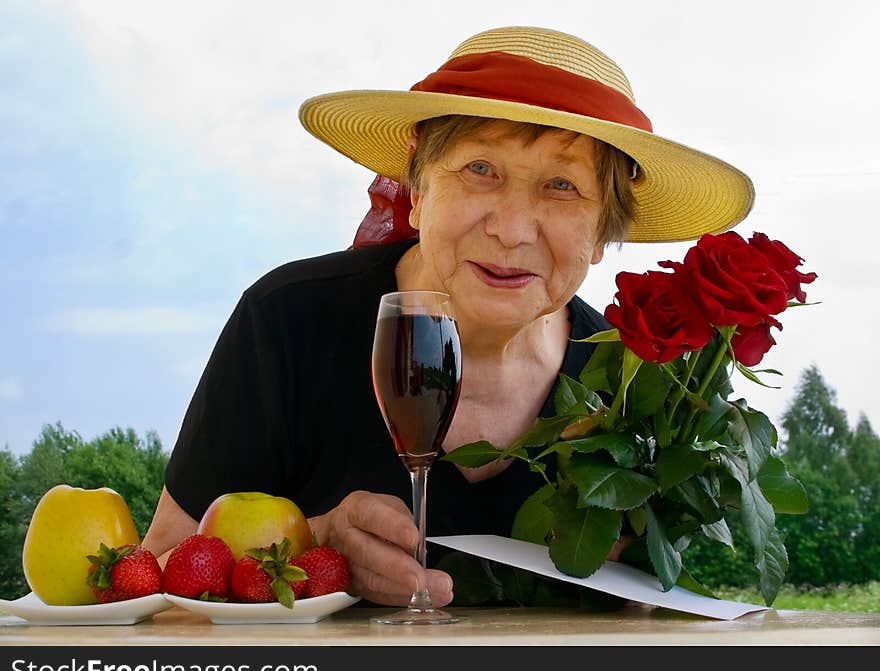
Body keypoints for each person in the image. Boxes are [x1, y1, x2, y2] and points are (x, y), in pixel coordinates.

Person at [142, 26, 754, 607]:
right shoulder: (289, 319)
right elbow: (163, 570)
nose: (511, 229)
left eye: (563, 186)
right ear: (418, 187)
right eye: (480, 170)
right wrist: (314, 543)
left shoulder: (633, 375)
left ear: (602, 233)